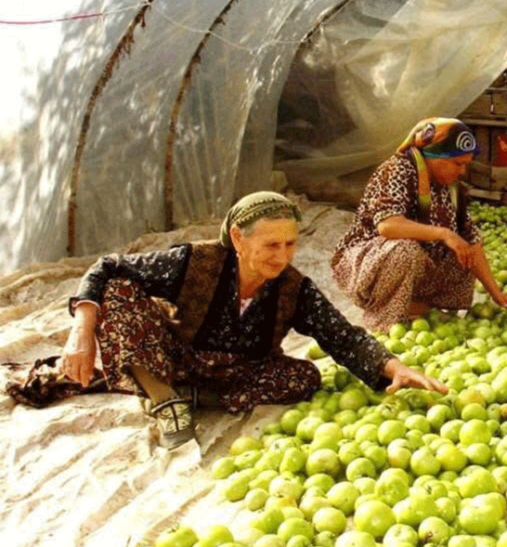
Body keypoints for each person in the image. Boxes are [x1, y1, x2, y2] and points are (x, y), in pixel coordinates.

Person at [57, 191, 445, 449]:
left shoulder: (293, 288)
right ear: (239, 240)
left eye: (290, 244)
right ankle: (163, 399)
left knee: (305, 377)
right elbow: (107, 267)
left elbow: (340, 334)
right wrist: (81, 330)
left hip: (237, 372)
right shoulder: (194, 261)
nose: (282, 256)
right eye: (271, 245)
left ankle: (190, 397)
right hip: (176, 355)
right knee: (119, 291)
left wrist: (393, 367)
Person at [331, 118, 507, 332]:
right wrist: (442, 233)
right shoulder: (397, 170)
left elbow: (471, 239)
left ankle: (418, 305)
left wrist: (495, 293)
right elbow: (388, 225)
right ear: (434, 156)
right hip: (369, 264)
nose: (462, 171)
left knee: (462, 250)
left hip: (418, 262)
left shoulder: (451, 188)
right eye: (458, 163)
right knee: (405, 251)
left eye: (465, 164)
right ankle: (385, 317)